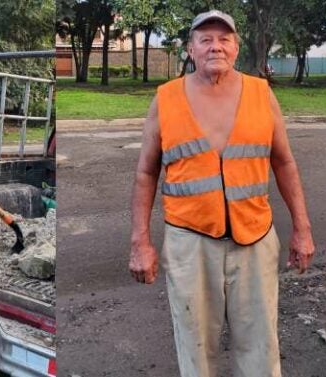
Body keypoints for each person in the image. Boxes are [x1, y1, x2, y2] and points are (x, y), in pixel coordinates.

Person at [128, 10, 315, 377]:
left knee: (261, 349)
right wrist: (141, 242)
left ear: (236, 47)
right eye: (205, 39)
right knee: (196, 351)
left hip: (255, 239)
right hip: (189, 243)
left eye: (224, 38)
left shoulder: (262, 94)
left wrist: (303, 229)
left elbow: (285, 164)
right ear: (190, 49)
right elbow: (146, 172)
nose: (216, 46)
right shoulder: (166, 98)